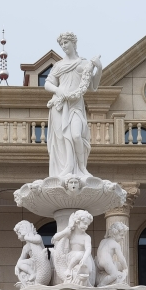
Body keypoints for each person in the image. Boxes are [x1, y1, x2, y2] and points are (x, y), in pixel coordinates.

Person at [43, 32, 102, 182]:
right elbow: (47, 84)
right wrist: (58, 90)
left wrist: (99, 68)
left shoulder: (84, 64)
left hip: (75, 105)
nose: (63, 46)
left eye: (66, 42)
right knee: (63, 138)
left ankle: (81, 167)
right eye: (61, 44)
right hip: (60, 105)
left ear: (74, 43)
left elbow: (93, 86)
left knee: (76, 135)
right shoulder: (58, 66)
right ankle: (67, 167)